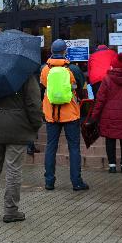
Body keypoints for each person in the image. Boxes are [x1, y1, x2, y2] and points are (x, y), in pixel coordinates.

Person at [0, 69, 43, 223]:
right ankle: (10, 210)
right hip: (17, 128)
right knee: (13, 170)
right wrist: (36, 125)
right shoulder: (24, 74)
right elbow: (33, 103)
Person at [40, 38, 89, 192]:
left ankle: (49, 181)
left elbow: (43, 86)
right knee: (74, 147)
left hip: (51, 114)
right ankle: (76, 182)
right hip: (70, 114)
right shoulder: (73, 69)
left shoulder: (44, 69)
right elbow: (81, 87)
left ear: (51, 51)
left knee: (51, 146)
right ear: (64, 52)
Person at [88, 53, 122, 174]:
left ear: (113, 66)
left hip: (109, 115)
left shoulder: (106, 79)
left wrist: (94, 116)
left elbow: (100, 99)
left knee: (110, 139)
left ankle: (112, 166)